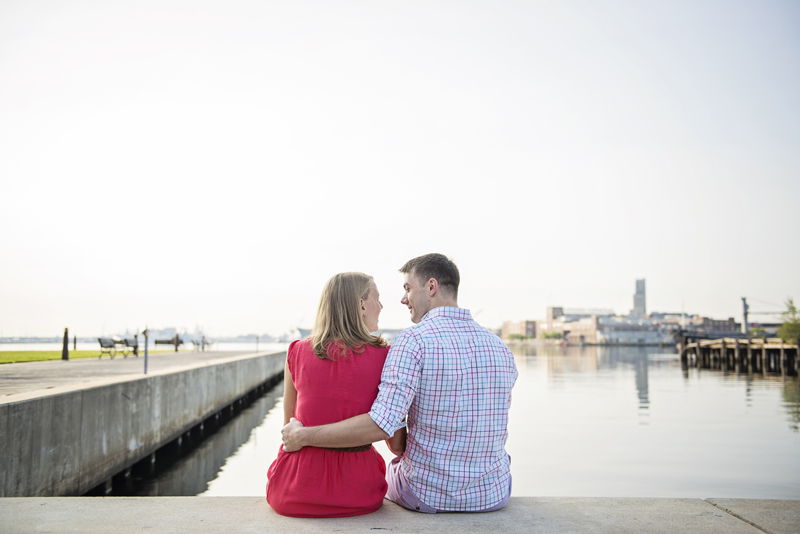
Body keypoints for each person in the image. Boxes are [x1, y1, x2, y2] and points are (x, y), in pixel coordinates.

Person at [282, 253, 518, 513]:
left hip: (427, 495)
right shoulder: (500, 347)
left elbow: (384, 425)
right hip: (492, 495)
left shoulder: (413, 341)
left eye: (407, 288)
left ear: (431, 287)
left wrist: (303, 436)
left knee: (398, 467)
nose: (403, 299)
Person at [266, 272, 406, 517]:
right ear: (362, 305)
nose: (381, 306)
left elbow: (290, 431)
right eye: (378, 299)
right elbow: (396, 445)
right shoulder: (386, 357)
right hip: (358, 493)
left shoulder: (296, 351)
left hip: (293, 490)